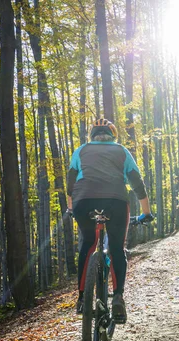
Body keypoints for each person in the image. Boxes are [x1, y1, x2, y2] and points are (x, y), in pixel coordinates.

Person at [67, 118, 154, 322]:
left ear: (93, 135)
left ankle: (81, 298)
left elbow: (71, 183)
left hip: (83, 202)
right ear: (112, 135)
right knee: (116, 248)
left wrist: (71, 208)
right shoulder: (121, 151)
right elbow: (137, 184)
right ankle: (118, 298)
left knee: (88, 244)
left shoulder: (81, 150)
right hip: (115, 201)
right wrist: (146, 213)